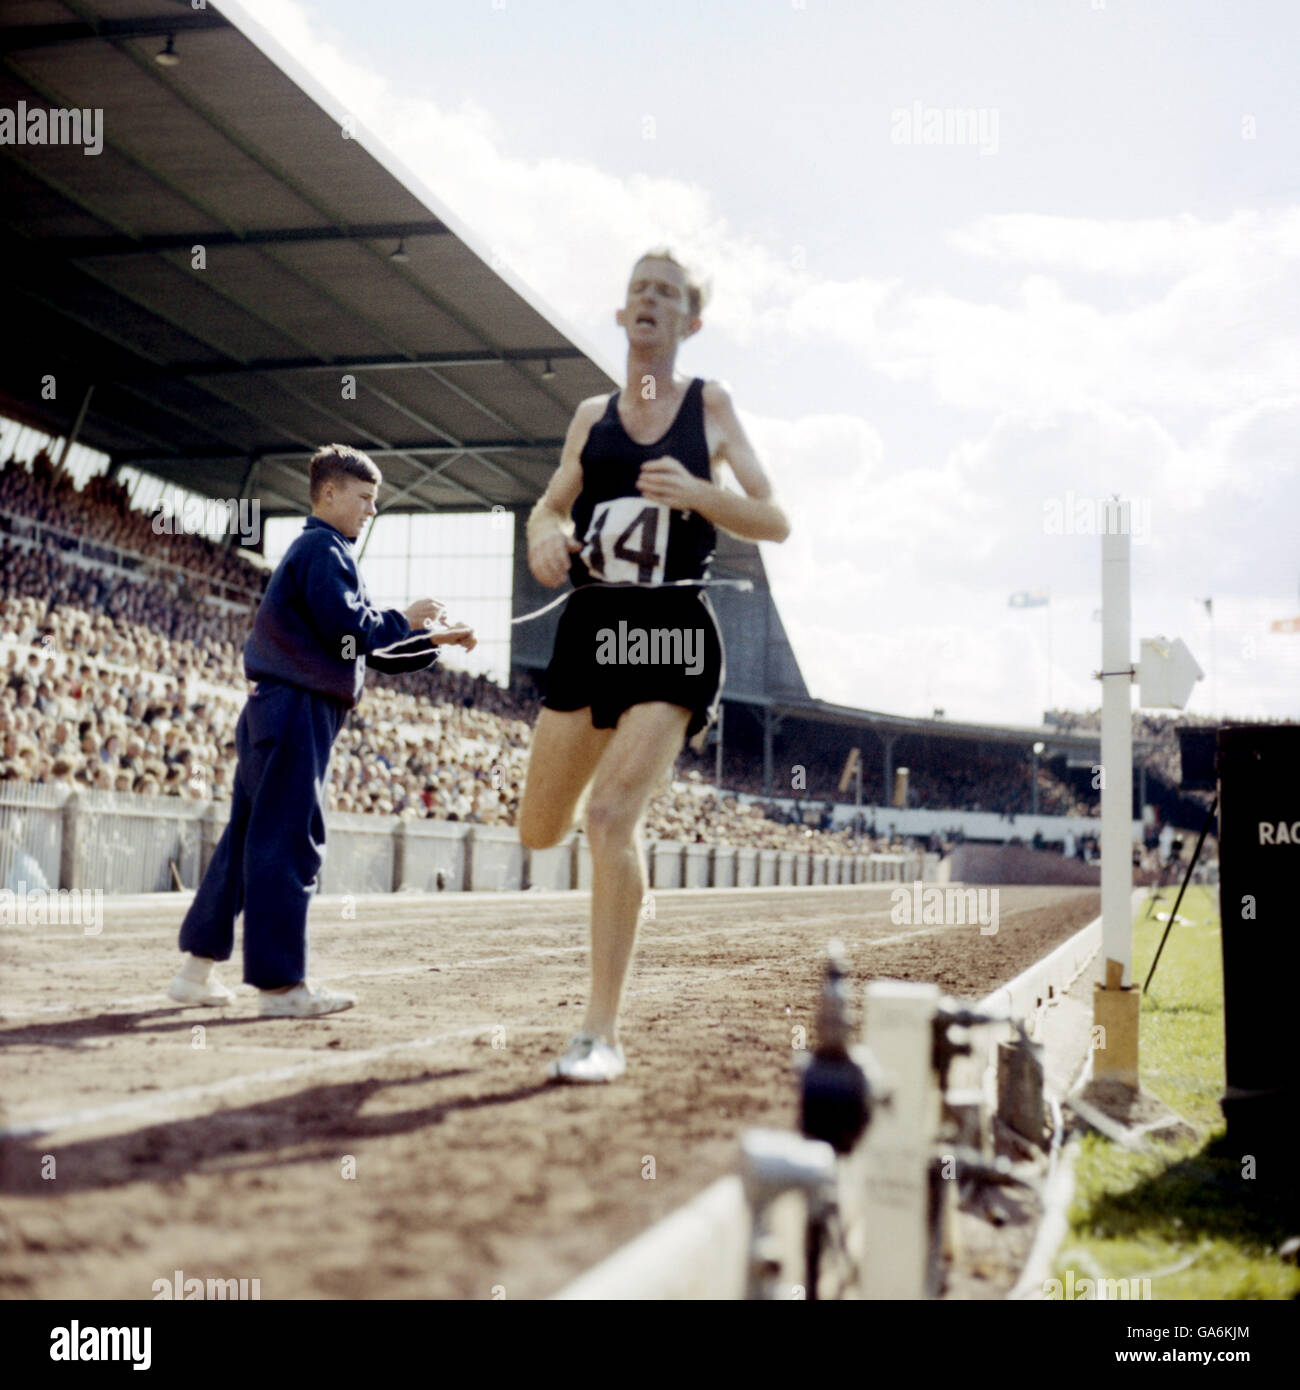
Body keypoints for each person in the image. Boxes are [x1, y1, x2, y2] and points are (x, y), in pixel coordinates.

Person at [519, 248, 789, 1082]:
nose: (648, 300)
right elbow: (551, 501)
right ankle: (629, 892)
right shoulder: (591, 414)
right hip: (591, 627)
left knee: (609, 819)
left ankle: (599, 1032)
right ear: (622, 312)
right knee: (539, 830)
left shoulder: (709, 406)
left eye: (666, 293)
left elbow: (773, 517)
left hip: (671, 630)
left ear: (688, 322)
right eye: (638, 287)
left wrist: (701, 493)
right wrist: (543, 541)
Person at [168, 444, 476, 1018]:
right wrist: (406, 619)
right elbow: (352, 628)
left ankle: (196, 972)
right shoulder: (323, 548)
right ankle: (282, 988)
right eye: (364, 498)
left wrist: (432, 641)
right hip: (296, 713)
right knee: (288, 842)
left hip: (274, 711)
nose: (371, 511)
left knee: (245, 842)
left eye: (375, 502)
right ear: (328, 493)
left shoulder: (318, 551)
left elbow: (359, 646)